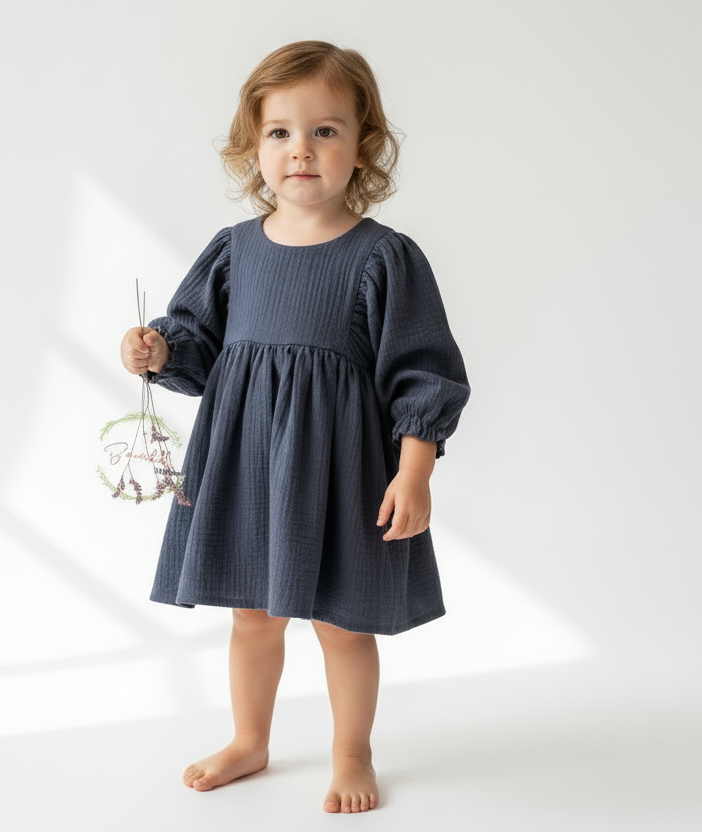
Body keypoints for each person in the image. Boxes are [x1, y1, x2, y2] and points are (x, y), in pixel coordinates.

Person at [120, 39, 471, 814]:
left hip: (339, 470)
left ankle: (352, 750)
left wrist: (415, 471)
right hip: (245, 461)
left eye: (325, 131)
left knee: (341, 623)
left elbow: (422, 371)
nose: (301, 150)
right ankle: (250, 739)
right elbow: (196, 344)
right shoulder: (235, 251)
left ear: (362, 145)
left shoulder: (384, 257)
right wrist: (155, 348)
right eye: (280, 132)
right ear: (254, 148)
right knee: (252, 613)